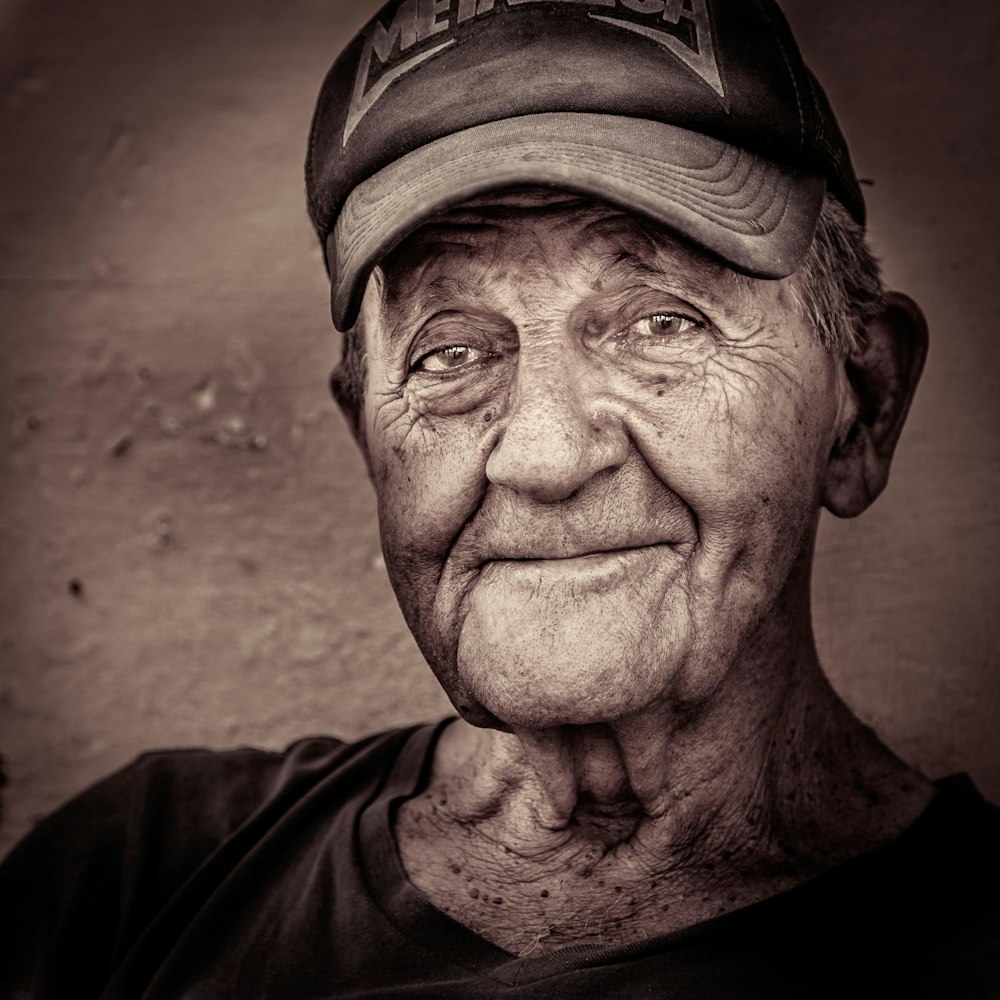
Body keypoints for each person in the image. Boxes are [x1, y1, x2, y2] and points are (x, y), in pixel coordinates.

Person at [1, 0, 998, 997]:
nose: (546, 455)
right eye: (452, 353)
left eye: (662, 324)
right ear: (371, 444)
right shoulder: (135, 876)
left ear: (861, 408)